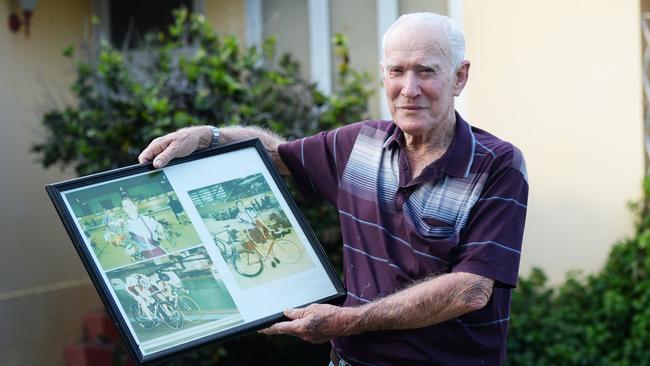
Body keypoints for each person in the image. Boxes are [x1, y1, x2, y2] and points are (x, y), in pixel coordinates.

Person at [138, 12, 528, 366]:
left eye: (426, 71)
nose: (409, 89)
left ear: (460, 76)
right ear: (383, 75)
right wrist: (209, 135)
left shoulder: (497, 164)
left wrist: (349, 320)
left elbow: (470, 290)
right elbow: (276, 155)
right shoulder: (359, 144)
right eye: (397, 71)